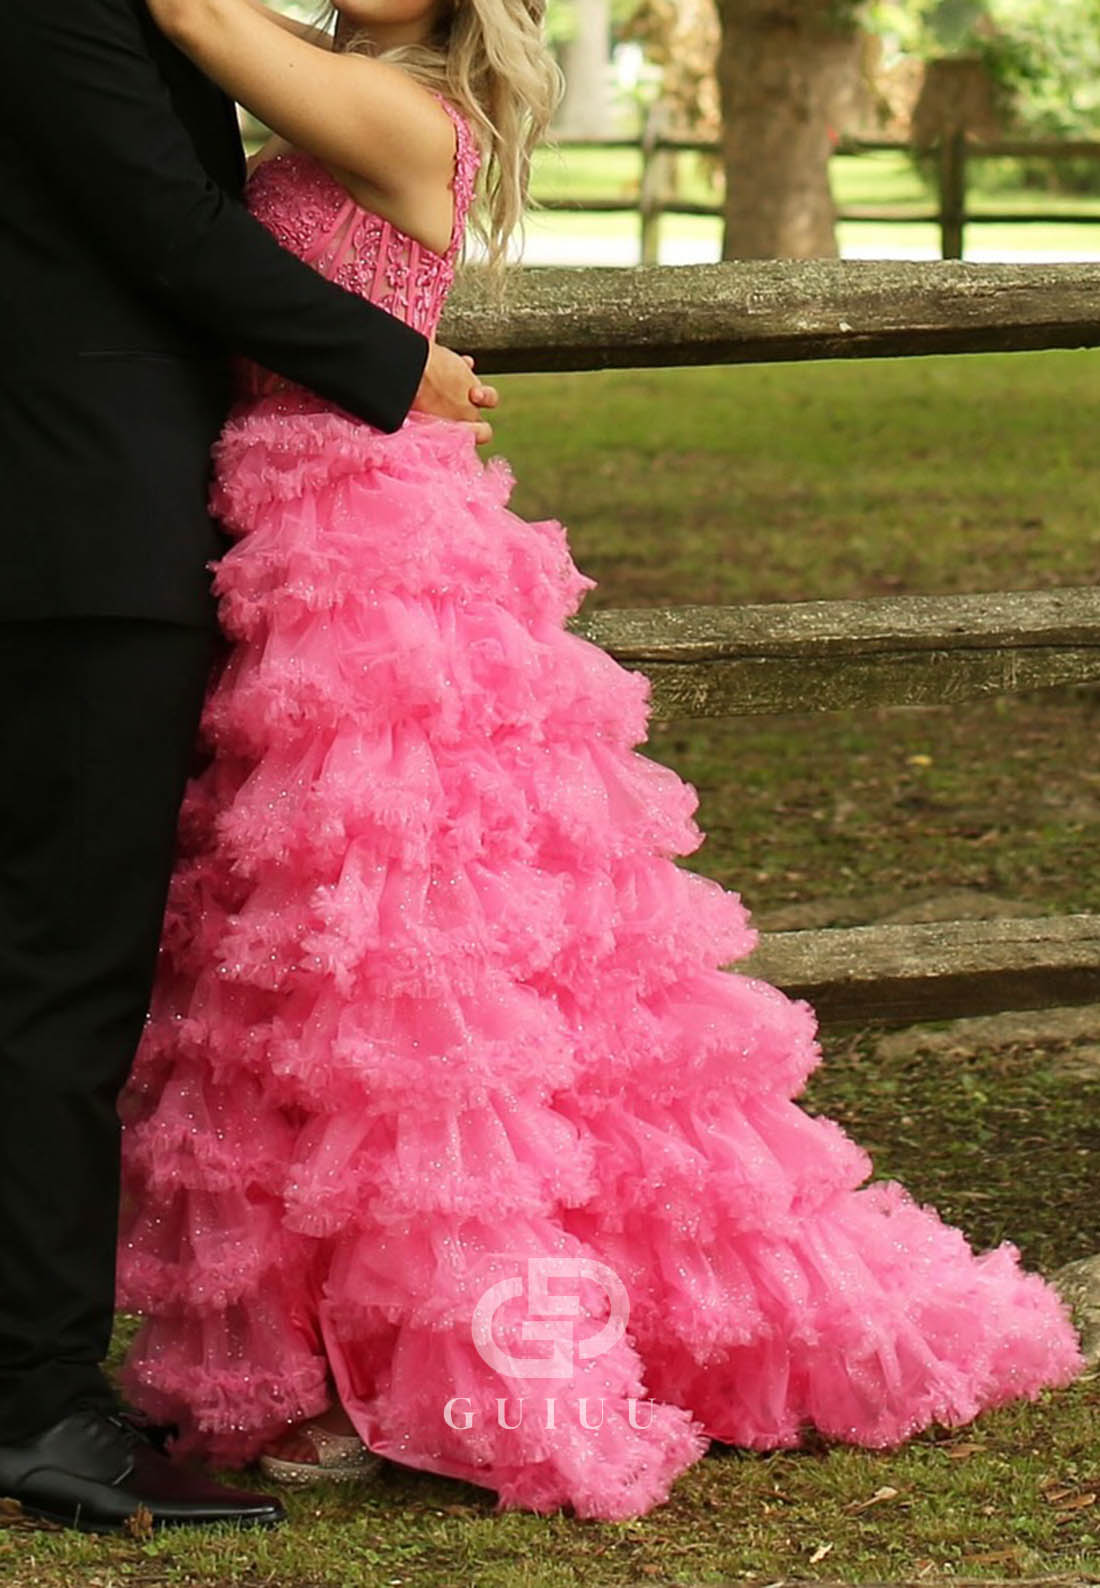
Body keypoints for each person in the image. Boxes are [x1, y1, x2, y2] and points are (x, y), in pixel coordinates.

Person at [117, 0, 1083, 1526]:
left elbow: (184, 15)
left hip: (370, 552)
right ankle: (328, 1342)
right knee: (306, 967)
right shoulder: (345, 82)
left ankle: (451, 1358)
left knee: (400, 970)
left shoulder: (404, 114)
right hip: (276, 527)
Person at [0, 0, 497, 1535]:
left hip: (143, 528)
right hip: (80, 529)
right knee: (63, 983)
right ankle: (32, 1411)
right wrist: (389, 361)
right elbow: (162, 223)